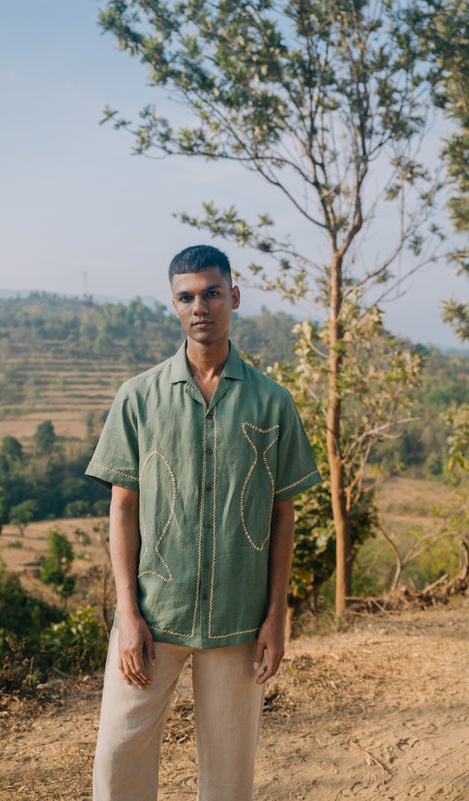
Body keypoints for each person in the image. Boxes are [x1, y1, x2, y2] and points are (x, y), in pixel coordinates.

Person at [86, 244, 321, 801]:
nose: (201, 307)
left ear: (233, 297)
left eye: (212, 293)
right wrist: (127, 614)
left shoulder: (272, 402)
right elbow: (122, 507)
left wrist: (275, 617)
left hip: (238, 622)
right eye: (187, 297)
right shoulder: (139, 397)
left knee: (228, 774)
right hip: (151, 615)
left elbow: (283, 513)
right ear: (173, 305)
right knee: (119, 757)